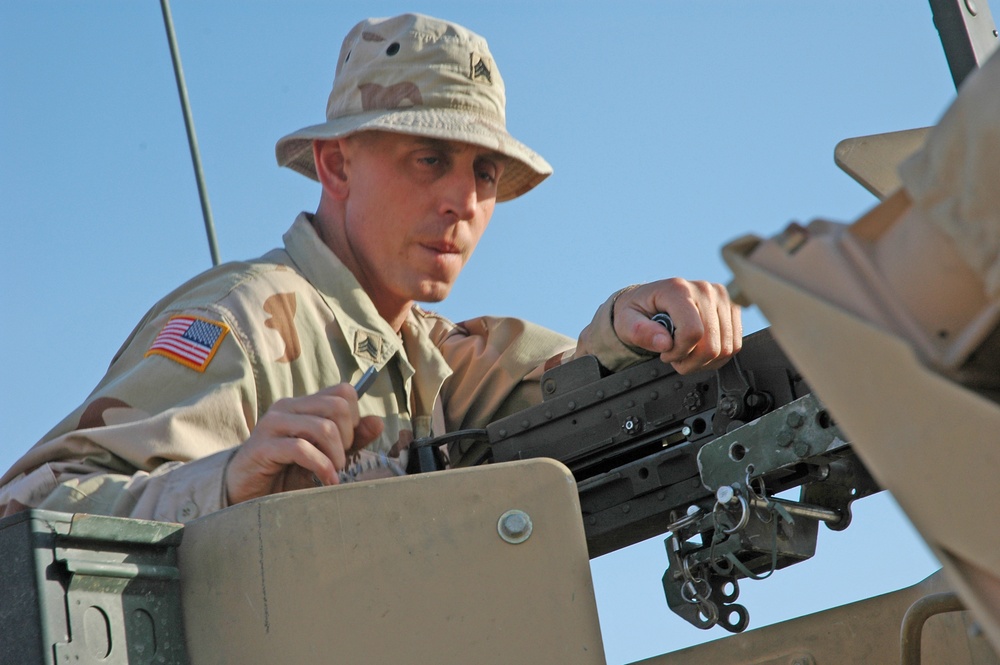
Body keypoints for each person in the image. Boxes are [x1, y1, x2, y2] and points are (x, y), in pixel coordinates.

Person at [0, 13, 741, 523]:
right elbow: (28, 511)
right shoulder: (247, 321)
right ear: (335, 165)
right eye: (429, 159)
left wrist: (635, 324)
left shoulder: (435, 357)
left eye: (485, 172)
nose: (464, 200)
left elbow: (571, 383)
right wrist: (226, 482)